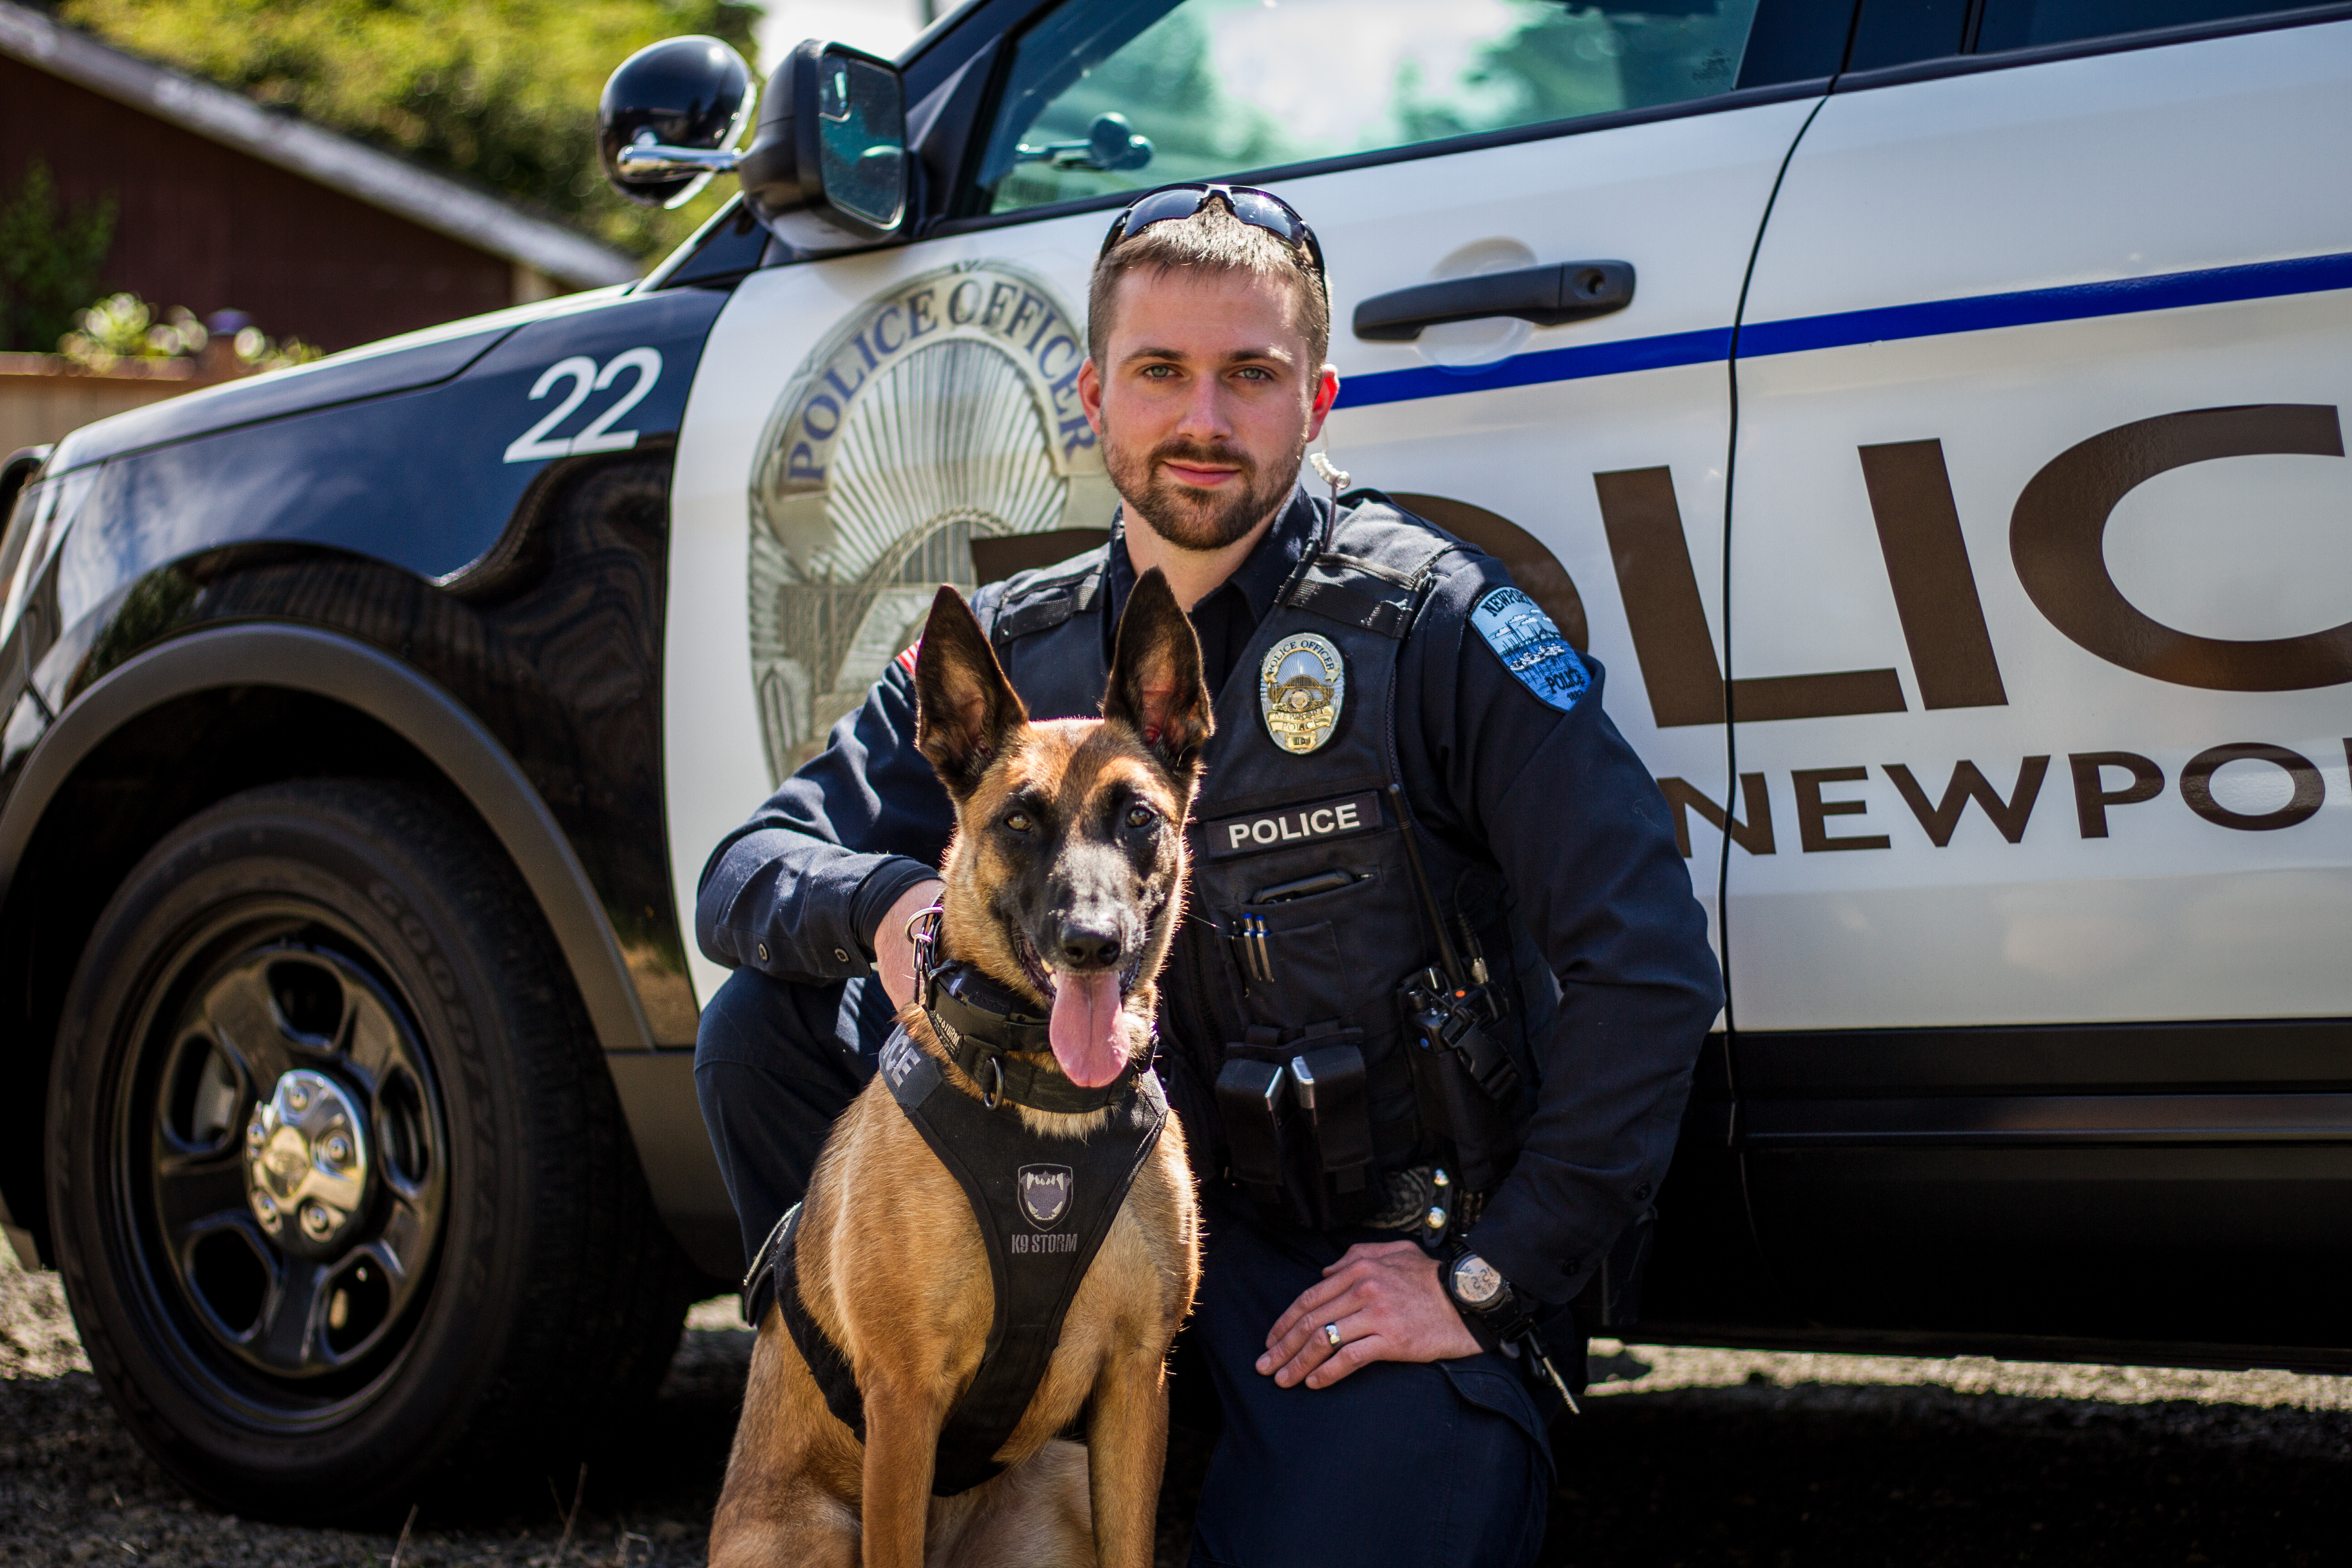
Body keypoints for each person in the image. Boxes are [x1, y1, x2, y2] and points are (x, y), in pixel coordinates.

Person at [693, 183, 1723, 1568]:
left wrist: (1486, 1277)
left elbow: (1646, 958)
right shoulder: (1008, 654)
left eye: (1252, 375)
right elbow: (750, 869)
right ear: (1092, 397)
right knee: (766, 1027)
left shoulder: (1434, 626)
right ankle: (939, 1448)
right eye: (1161, 373)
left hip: (1351, 1259)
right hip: (1054, 1221)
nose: (1204, 420)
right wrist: (886, 907)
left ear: (1319, 398)